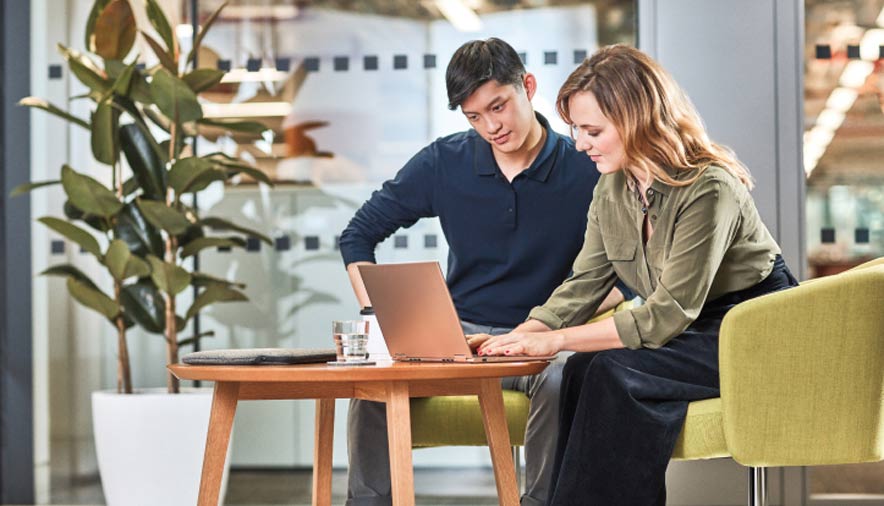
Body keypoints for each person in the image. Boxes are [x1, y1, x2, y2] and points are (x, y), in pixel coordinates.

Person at [475, 45, 799, 506]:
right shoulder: (612, 187)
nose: (581, 144)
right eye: (577, 131)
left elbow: (666, 314)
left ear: (638, 120)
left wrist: (557, 341)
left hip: (748, 329)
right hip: (692, 328)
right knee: (582, 368)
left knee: (609, 370)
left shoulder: (709, 188)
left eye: (593, 131)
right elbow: (585, 281)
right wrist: (523, 335)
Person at [338, 38, 624, 506]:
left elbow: (626, 279)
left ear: (527, 87)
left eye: (499, 106)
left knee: (561, 378)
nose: (491, 126)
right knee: (375, 381)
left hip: (540, 340)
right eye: (474, 116)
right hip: (456, 341)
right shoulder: (444, 162)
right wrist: (375, 309)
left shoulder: (587, 164)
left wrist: (556, 321)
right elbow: (358, 235)